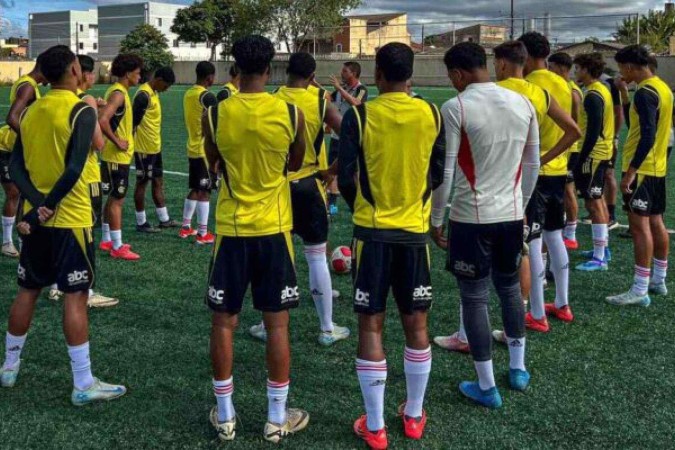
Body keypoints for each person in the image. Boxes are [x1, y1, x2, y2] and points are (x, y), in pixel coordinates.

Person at [434, 40, 579, 352]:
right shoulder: (540, 92)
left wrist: (436, 218)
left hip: (482, 204)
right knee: (528, 262)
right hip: (524, 195)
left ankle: (476, 356)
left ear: (500, 64)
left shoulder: (473, 101)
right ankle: (531, 335)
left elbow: (448, 169)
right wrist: (533, 184)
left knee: (475, 290)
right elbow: (566, 134)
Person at [0, 45, 126, 404]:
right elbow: (74, 169)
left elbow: (17, 168)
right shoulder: (80, 110)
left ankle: (9, 367)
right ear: (74, 68)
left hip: (35, 218)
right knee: (76, 295)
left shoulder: (31, 111)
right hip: (69, 218)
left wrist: (37, 207)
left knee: (28, 290)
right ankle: (83, 383)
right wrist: (49, 206)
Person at [339, 42, 446, 449]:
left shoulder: (360, 116)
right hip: (414, 236)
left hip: (372, 234)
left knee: (371, 324)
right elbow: (437, 171)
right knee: (416, 324)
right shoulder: (431, 113)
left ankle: (377, 425)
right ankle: (414, 415)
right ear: (411, 75)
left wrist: (362, 208)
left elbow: (346, 178)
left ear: (377, 76)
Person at [202, 35, 308, 443]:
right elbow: (294, 164)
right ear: (270, 69)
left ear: (236, 67)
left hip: (230, 229)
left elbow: (214, 162)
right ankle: (275, 419)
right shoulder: (290, 112)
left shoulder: (214, 113)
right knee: (277, 326)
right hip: (273, 228)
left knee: (223, 323)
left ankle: (226, 416)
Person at [431, 42, 539, 409]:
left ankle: (486, 386)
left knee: (474, 297)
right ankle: (518, 369)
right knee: (509, 290)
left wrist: (435, 218)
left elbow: (446, 171)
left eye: (450, 76)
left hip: (470, 218)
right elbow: (532, 165)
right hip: (510, 216)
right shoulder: (523, 103)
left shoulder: (456, 106)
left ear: (459, 74)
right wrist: (520, 206)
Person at [247, 52, 348, 346]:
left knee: (277, 256)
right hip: (308, 183)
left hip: (277, 186)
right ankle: (327, 328)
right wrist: (333, 170)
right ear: (312, 75)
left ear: (285, 71)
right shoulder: (320, 101)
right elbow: (352, 134)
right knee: (316, 256)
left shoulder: (272, 98)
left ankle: (268, 326)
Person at [519, 32, 581, 332]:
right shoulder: (565, 84)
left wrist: (539, 160)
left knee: (532, 240)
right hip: (558, 170)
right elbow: (573, 127)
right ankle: (562, 303)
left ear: (527, 55)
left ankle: (537, 313)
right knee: (554, 235)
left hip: (537, 173)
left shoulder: (532, 85)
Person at [46, 55, 120, 308]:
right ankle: (85, 291)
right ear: (82, 74)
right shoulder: (85, 101)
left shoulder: (58, 101)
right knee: (83, 235)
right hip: (86, 177)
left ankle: (56, 285)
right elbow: (97, 143)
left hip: (57, 175)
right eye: (92, 73)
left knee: (61, 231)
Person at [607, 45, 672, 306]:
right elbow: (639, 126)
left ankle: (640, 288)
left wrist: (630, 172)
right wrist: (624, 93)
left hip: (642, 169)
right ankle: (658, 279)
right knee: (656, 222)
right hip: (657, 167)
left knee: (639, 226)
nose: (622, 73)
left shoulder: (646, 93)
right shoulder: (662, 88)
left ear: (631, 67)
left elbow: (646, 135)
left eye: (622, 68)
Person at [572, 53, 615, 271]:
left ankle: (600, 257)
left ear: (587, 70)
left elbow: (594, 131)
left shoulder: (593, 95)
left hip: (593, 154)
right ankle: (603, 248)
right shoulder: (600, 90)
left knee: (594, 202)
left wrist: (582, 158)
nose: (576, 72)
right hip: (600, 153)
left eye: (578, 68)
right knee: (595, 200)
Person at [0, 57, 46, 258]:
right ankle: (7, 241)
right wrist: (31, 140)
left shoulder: (29, 85)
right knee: (13, 193)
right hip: (8, 148)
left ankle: (20, 239)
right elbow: (12, 118)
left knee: (22, 195)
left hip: (18, 149)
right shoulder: (27, 86)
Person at [98, 54, 142, 260]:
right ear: (127, 73)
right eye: (138, 72)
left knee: (113, 197)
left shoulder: (117, 91)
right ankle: (117, 245)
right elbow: (103, 119)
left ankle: (107, 239)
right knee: (118, 199)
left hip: (115, 157)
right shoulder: (119, 94)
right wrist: (117, 141)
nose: (140, 76)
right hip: (116, 157)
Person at [133, 67, 179, 233]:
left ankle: (164, 219)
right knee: (142, 182)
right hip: (143, 148)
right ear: (158, 79)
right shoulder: (143, 95)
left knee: (158, 180)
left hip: (155, 146)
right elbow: (132, 123)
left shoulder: (154, 93)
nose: (166, 89)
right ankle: (141, 222)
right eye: (165, 86)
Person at [548, 52, 584, 249]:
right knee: (564, 189)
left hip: (569, 147)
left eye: (551, 67)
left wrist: (569, 142)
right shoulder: (558, 85)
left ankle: (570, 232)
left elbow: (575, 120)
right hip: (561, 144)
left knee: (569, 189)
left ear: (562, 68)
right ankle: (564, 227)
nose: (549, 70)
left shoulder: (572, 89)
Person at [180, 61, 218, 244]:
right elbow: (216, 121)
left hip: (192, 147)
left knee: (195, 188)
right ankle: (203, 234)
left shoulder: (189, 93)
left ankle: (186, 227)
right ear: (210, 77)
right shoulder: (207, 96)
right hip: (204, 150)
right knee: (205, 191)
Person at [327, 61, 368, 216]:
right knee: (332, 170)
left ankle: (360, 202)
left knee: (353, 172)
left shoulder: (361, 89)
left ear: (354, 74)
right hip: (336, 136)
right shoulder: (341, 89)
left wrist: (339, 88)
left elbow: (357, 103)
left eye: (345, 71)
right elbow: (327, 98)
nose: (342, 73)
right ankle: (332, 206)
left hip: (352, 138)